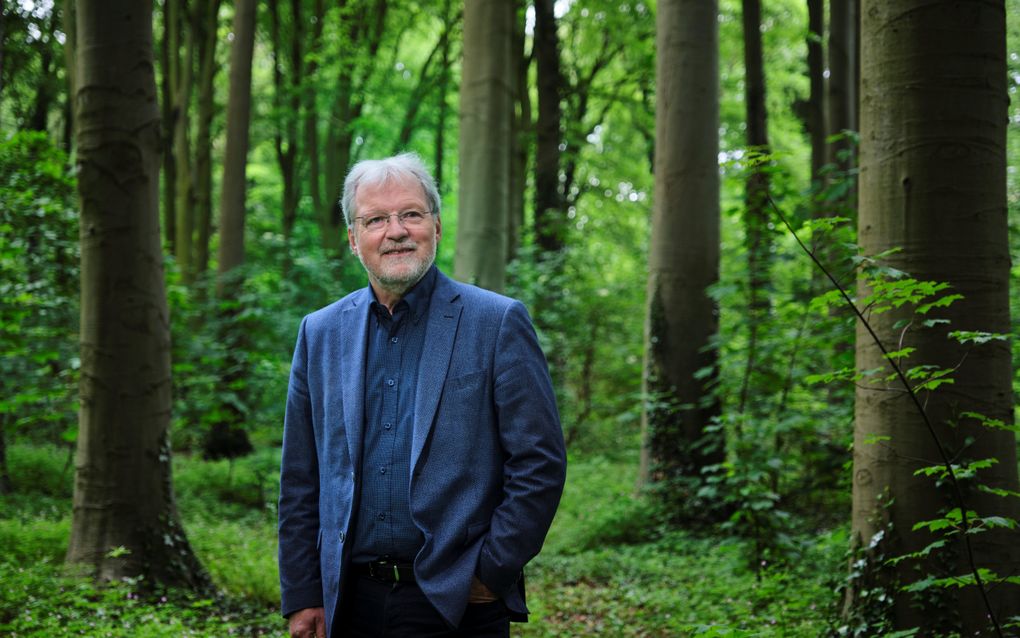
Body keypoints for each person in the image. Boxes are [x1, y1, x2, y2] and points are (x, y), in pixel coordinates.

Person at [277, 152, 567, 638]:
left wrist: (489, 572)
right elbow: (301, 477)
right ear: (353, 239)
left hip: (457, 605)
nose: (396, 230)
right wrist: (304, 592)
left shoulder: (496, 323)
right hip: (347, 603)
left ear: (435, 225)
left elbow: (539, 463)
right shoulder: (319, 333)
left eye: (410, 213)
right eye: (375, 219)